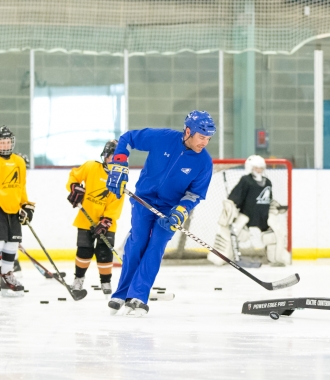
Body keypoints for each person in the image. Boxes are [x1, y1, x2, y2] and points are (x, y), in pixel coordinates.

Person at [106, 110, 216, 317]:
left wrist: (179, 213)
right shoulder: (163, 138)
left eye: (208, 139)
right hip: (144, 200)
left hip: (170, 210)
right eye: (202, 137)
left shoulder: (204, 162)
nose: (205, 143)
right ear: (188, 131)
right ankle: (121, 293)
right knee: (137, 242)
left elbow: (195, 194)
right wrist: (119, 164)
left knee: (155, 246)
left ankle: (138, 295)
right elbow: (127, 139)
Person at [208, 155, 290, 267]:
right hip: (246, 215)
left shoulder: (268, 182)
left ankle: (277, 259)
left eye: (261, 168)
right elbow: (236, 196)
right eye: (257, 168)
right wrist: (230, 205)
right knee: (232, 232)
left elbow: (267, 198)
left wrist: (274, 205)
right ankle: (221, 258)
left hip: (263, 216)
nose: (259, 170)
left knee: (273, 236)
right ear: (250, 168)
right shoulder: (246, 180)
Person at [66, 140, 125, 295]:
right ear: (105, 156)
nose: (113, 161)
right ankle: (78, 280)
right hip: (86, 219)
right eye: (111, 157)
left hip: (107, 223)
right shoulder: (91, 167)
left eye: (118, 158)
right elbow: (74, 175)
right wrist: (74, 187)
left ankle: (106, 283)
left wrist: (106, 221)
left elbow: (116, 204)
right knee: (84, 251)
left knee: (105, 252)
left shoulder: (120, 179)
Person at [0, 126, 35, 297]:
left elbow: (21, 187)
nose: (5, 145)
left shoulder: (19, 162)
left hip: (14, 209)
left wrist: (26, 205)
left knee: (12, 244)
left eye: (7, 141)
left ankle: (7, 274)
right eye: (2, 142)